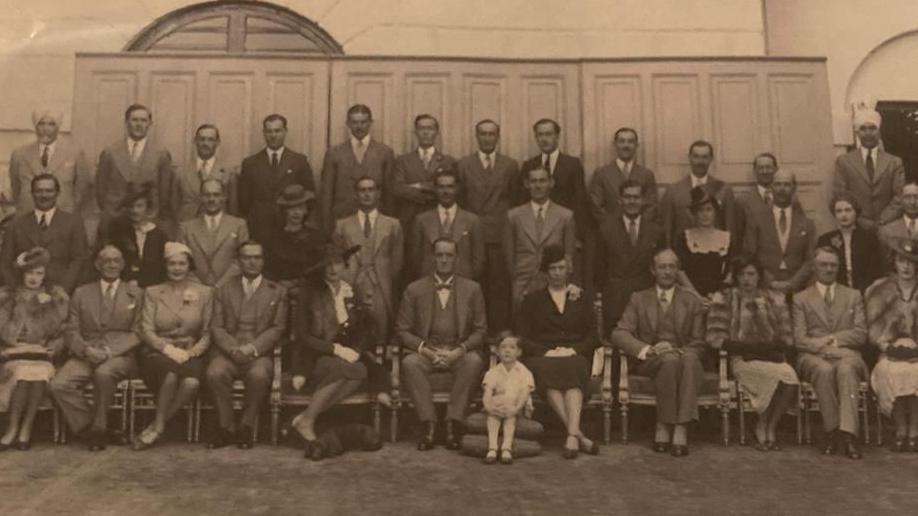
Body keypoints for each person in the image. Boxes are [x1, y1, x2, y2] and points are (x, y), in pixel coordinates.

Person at [289, 241, 391, 460]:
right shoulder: (310, 293)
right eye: (327, 265)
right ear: (321, 268)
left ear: (345, 265)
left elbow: (364, 329)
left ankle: (307, 417)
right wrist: (334, 348)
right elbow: (303, 336)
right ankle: (307, 420)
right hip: (316, 355)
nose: (332, 269)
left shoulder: (350, 292)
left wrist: (355, 349)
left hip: (345, 356)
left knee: (360, 371)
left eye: (337, 263)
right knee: (348, 370)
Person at [612, 249, 706, 457]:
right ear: (653, 270)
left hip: (683, 357)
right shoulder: (639, 298)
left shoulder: (691, 300)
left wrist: (678, 350)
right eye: (662, 267)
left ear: (678, 270)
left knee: (686, 359)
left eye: (672, 267)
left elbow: (699, 343)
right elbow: (619, 333)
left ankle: (680, 426)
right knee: (669, 361)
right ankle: (664, 423)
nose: (667, 271)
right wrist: (649, 350)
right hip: (652, 362)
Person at [396, 237, 486, 451]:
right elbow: (402, 329)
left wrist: (459, 350)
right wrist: (426, 351)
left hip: (458, 351)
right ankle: (429, 425)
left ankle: (452, 425)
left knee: (473, 361)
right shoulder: (414, 289)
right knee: (410, 363)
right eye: (440, 255)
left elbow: (481, 330)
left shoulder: (472, 289)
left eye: (449, 255)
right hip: (428, 351)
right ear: (432, 258)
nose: (444, 260)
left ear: (457, 259)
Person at [50, 245, 142, 451]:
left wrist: (111, 352)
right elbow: (71, 330)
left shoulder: (135, 293)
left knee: (104, 373)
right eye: (106, 260)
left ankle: (99, 431)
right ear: (97, 265)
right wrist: (85, 350)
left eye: (116, 260)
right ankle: (89, 427)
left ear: (123, 264)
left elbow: (139, 332)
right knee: (59, 384)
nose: (111, 264)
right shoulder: (82, 292)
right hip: (87, 352)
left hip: (120, 355)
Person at [706, 256, 799, 450]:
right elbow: (715, 338)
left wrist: (765, 340)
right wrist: (750, 348)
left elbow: (787, 337)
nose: (747, 279)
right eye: (742, 275)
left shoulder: (774, 298)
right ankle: (763, 428)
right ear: (736, 277)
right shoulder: (724, 297)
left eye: (751, 274)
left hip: (771, 358)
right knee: (774, 376)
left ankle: (768, 425)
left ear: (759, 276)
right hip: (741, 359)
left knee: (790, 378)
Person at [517, 244, 600, 459]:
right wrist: (547, 351)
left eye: (561, 267)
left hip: (574, 356)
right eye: (552, 268)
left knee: (573, 369)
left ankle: (572, 435)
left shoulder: (581, 298)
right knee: (549, 371)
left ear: (568, 270)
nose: (556, 272)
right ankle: (577, 436)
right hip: (543, 357)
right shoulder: (533, 300)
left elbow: (593, 337)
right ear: (546, 271)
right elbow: (522, 338)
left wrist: (572, 350)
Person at [207, 241, 287, 450]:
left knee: (259, 375)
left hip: (258, 354)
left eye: (257, 257)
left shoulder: (277, 291)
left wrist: (252, 348)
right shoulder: (223, 289)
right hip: (228, 352)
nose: (252, 262)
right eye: (247, 257)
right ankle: (226, 427)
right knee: (215, 372)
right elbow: (216, 326)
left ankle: (246, 426)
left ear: (263, 260)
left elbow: (278, 328)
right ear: (238, 261)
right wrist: (233, 348)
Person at [133, 242, 214, 451]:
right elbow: (146, 329)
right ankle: (159, 427)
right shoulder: (152, 292)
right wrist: (168, 349)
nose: (177, 268)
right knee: (169, 374)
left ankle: (157, 425)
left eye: (182, 264)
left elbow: (207, 332)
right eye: (172, 264)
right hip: (158, 352)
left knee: (191, 383)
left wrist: (192, 352)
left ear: (189, 266)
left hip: (191, 351)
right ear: (165, 266)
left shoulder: (204, 293)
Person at [793, 246, 867, 460]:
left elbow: (861, 333)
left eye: (833, 265)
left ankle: (849, 435)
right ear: (814, 267)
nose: (828, 269)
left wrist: (833, 341)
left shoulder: (853, 295)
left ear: (839, 267)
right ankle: (832, 430)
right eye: (823, 264)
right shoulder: (801, 298)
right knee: (823, 370)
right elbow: (799, 339)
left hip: (847, 354)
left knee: (846, 369)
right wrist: (821, 347)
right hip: (813, 356)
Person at [0, 247, 69, 450]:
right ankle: (13, 428)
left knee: (38, 372)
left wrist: (45, 309)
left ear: (45, 276)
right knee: (23, 372)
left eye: (39, 274)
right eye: (29, 272)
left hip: (41, 353)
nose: (33, 278)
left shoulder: (54, 298)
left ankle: (26, 429)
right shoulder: (8, 297)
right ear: (22, 273)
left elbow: (57, 331)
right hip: (13, 352)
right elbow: (2, 329)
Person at [456, 119, 520, 335]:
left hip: (499, 236)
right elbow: (461, 201)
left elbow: (515, 200)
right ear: (476, 137)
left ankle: (498, 334)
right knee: (473, 285)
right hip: (471, 236)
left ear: (498, 137)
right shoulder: (464, 165)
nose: (487, 138)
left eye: (491, 134)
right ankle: (472, 333)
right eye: (483, 134)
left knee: (499, 287)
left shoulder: (510, 165)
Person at [334, 176, 403, 347]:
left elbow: (397, 261)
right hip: (351, 283)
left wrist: (384, 280)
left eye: (371, 190)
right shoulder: (342, 225)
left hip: (381, 285)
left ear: (378, 194)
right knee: (352, 329)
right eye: (362, 190)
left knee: (381, 330)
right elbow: (338, 260)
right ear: (356, 195)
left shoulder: (393, 224)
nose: (366, 194)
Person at [865, 238, 918, 452]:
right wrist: (887, 347)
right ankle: (900, 428)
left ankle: (914, 430)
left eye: (911, 261)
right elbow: (873, 329)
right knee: (892, 371)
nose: (906, 266)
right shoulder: (879, 289)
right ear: (894, 262)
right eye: (901, 260)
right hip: (889, 351)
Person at [591, 179, 665, 330]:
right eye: (627, 197)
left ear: (643, 200)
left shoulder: (656, 232)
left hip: (646, 300)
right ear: (620, 200)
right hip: (615, 300)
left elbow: (660, 268)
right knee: (615, 344)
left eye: (636, 197)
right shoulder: (605, 229)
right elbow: (598, 268)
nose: (632, 201)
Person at [95, 104, 175, 239]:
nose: (139, 125)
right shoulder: (110, 152)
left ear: (150, 124)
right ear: (127, 122)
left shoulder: (161, 154)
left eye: (143, 121)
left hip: (148, 220)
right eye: (135, 120)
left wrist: (152, 215)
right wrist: (113, 211)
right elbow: (100, 191)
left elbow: (164, 194)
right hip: (115, 219)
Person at [0, 174, 89, 293]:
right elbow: (5, 263)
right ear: (32, 193)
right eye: (39, 191)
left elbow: (79, 260)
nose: (44, 195)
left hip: (61, 293)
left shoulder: (73, 223)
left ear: (57, 193)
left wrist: (63, 290)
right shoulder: (16, 224)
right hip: (25, 295)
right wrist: (17, 291)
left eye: (49, 191)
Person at [504, 167, 576, 314]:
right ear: (526, 184)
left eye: (542, 181)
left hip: (553, 282)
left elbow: (569, 256)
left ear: (551, 183)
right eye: (533, 181)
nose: (538, 185)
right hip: (523, 281)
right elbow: (509, 255)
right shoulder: (513, 216)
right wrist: (517, 277)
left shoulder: (565, 216)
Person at [238, 114, 315, 243]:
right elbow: (244, 201)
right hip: (259, 227)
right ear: (264, 133)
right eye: (269, 131)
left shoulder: (299, 161)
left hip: (289, 226)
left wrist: (298, 220)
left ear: (285, 131)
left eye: (277, 131)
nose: (273, 135)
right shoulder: (250, 163)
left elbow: (310, 196)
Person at [319, 104, 395, 231]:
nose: (359, 126)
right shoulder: (334, 153)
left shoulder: (384, 152)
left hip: (375, 219)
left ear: (370, 123)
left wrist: (389, 224)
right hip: (342, 218)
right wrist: (327, 227)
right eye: (354, 122)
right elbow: (326, 193)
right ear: (348, 124)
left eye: (363, 122)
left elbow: (389, 194)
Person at [742, 169, 815, 294]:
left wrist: (793, 283)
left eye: (787, 185)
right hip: (765, 288)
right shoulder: (756, 219)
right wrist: (770, 282)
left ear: (794, 188)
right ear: (771, 187)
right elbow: (750, 255)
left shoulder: (806, 223)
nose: (782, 189)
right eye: (778, 184)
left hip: (797, 289)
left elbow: (810, 260)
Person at [9, 108, 90, 215]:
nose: (45, 129)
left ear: (58, 127)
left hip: (62, 215)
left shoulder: (75, 154)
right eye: (41, 124)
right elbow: (16, 188)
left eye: (51, 124)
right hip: (28, 216)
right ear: (35, 126)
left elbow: (81, 189)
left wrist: (70, 212)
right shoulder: (20, 154)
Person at [518, 119, 589, 243]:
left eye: (548, 134)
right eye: (540, 135)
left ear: (557, 136)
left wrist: (579, 235)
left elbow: (580, 201)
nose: (544, 139)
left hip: (564, 229)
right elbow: (522, 200)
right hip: (536, 231)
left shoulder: (572, 164)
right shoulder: (528, 165)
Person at [833, 108, 904, 228]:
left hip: (888, 226)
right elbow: (840, 194)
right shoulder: (844, 161)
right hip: (856, 225)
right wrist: (859, 219)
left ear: (879, 132)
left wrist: (883, 220)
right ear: (857, 133)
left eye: (872, 128)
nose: (868, 133)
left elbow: (900, 196)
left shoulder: (894, 162)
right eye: (863, 129)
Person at [411, 170, 484, 280]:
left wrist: (467, 282)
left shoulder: (472, 220)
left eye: (450, 187)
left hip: (464, 284)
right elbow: (416, 259)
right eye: (441, 187)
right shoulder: (421, 220)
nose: (446, 191)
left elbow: (478, 260)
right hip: (429, 284)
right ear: (435, 189)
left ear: (457, 189)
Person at [659, 140, 736, 245]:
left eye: (705, 157)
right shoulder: (673, 191)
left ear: (711, 159)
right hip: (682, 253)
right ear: (689, 158)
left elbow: (730, 228)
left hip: (715, 252)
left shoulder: (724, 189)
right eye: (696, 157)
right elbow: (667, 229)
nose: (700, 162)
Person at [178, 178, 249, 287]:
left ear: (224, 197)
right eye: (207, 195)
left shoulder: (239, 225)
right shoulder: (186, 227)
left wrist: (220, 284)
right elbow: (181, 260)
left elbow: (241, 259)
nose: (211, 199)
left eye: (216, 195)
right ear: (200, 198)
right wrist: (200, 287)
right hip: (195, 289)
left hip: (228, 288)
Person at [393, 114, 456, 233]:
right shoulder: (402, 160)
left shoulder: (448, 161)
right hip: (410, 220)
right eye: (422, 129)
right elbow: (398, 189)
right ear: (415, 132)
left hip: (437, 219)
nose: (426, 132)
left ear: (437, 132)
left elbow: (449, 190)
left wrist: (419, 186)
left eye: (430, 128)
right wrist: (432, 190)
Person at [816, 191, 885, 293]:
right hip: (836, 293)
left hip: (866, 292)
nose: (843, 215)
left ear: (856, 212)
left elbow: (876, 271)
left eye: (848, 210)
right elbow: (822, 272)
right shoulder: (825, 240)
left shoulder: (869, 239)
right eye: (839, 211)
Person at [481, 336, 534, 465]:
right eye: (503, 347)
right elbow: (487, 392)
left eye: (512, 347)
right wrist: (489, 407)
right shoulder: (493, 372)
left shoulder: (524, 372)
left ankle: (506, 448)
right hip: (498, 405)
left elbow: (524, 394)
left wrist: (515, 409)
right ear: (497, 352)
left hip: (518, 405)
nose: (507, 351)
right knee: (492, 416)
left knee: (510, 418)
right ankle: (492, 448)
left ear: (519, 352)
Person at [588, 127, 658, 223]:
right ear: (615, 145)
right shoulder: (601, 173)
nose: (626, 145)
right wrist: (613, 228)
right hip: (609, 232)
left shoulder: (646, 174)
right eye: (622, 141)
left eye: (630, 142)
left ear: (636, 145)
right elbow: (596, 206)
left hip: (638, 232)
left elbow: (652, 206)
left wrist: (637, 226)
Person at [104, 181, 167, 288]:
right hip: (122, 285)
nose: (135, 211)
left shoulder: (159, 235)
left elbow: (160, 268)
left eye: (139, 206)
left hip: (152, 287)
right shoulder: (117, 231)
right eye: (131, 206)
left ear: (147, 207)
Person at [262, 184, 327, 286]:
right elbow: (268, 269)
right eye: (292, 208)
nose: (296, 213)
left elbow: (319, 269)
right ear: (285, 211)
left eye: (300, 208)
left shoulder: (315, 237)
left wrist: (298, 283)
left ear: (306, 210)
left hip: (308, 290)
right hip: (278, 289)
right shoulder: (273, 238)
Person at [674, 186, 732, 299]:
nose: (705, 214)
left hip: (719, 298)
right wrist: (696, 296)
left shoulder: (726, 238)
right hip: (690, 297)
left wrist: (717, 295)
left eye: (709, 209)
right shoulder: (684, 238)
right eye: (700, 210)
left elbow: (730, 272)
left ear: (715, 211)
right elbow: (680, 272)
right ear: (694, 213)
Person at [175, 124, 238, 222]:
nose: (205, 143)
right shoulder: (180, 172)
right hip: (188, 227)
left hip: (217, 228)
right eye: (202, 139)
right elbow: (173, 207)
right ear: (195, 141)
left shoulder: (228, 173)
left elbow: (233, 210)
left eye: (210, 140)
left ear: (217, 142)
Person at [879, 181, 918, 256]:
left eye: (916, 197)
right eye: (907, 197)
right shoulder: (887, 231)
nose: (912, 202)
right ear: (901, 200)